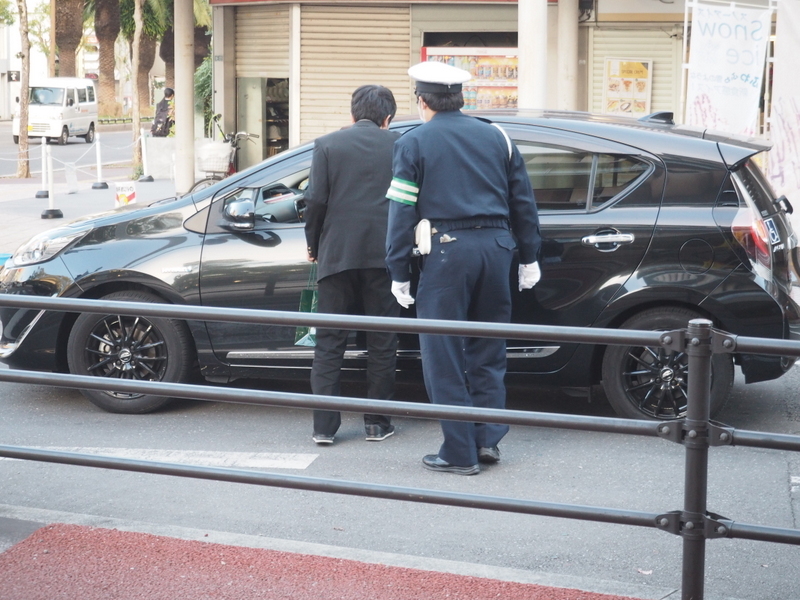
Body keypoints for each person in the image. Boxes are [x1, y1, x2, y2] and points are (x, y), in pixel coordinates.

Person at [385, 61, 542, 475]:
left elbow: (401, 211)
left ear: (422, 101)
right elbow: (523, 202)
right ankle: (487, 439)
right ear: (460, 98)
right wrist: (529, 256)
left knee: (444, 354)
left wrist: (398, 270)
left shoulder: (412, 142)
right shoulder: (497, 136)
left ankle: (459, 452)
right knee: (489, 349)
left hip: (446, 252)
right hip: (497, 248)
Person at [304, 84, 401, 445]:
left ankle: (324, 427)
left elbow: (315, 201)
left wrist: (314, 245)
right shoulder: (401, 145)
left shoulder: (327, 145)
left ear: (352, 113)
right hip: (384, 255)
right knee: (382, 341)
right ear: (387, 118)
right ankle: (377, 423)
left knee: (329, 342)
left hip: (337, 254)